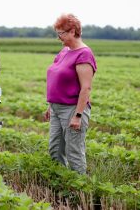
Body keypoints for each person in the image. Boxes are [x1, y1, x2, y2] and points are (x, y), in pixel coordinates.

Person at [44, 13, 97, 174]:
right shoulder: (65, 51)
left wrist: (78, 115)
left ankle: (79, 189)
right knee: (55, 150)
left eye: (61, 33)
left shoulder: (84, 54)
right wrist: (50, 105)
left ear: (73, 31)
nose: (59, 37)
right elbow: (56, 80)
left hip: (72, 109)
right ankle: (61, 183)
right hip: (56, 108)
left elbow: (86, 88)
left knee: (74, 152)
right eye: (58, 33)